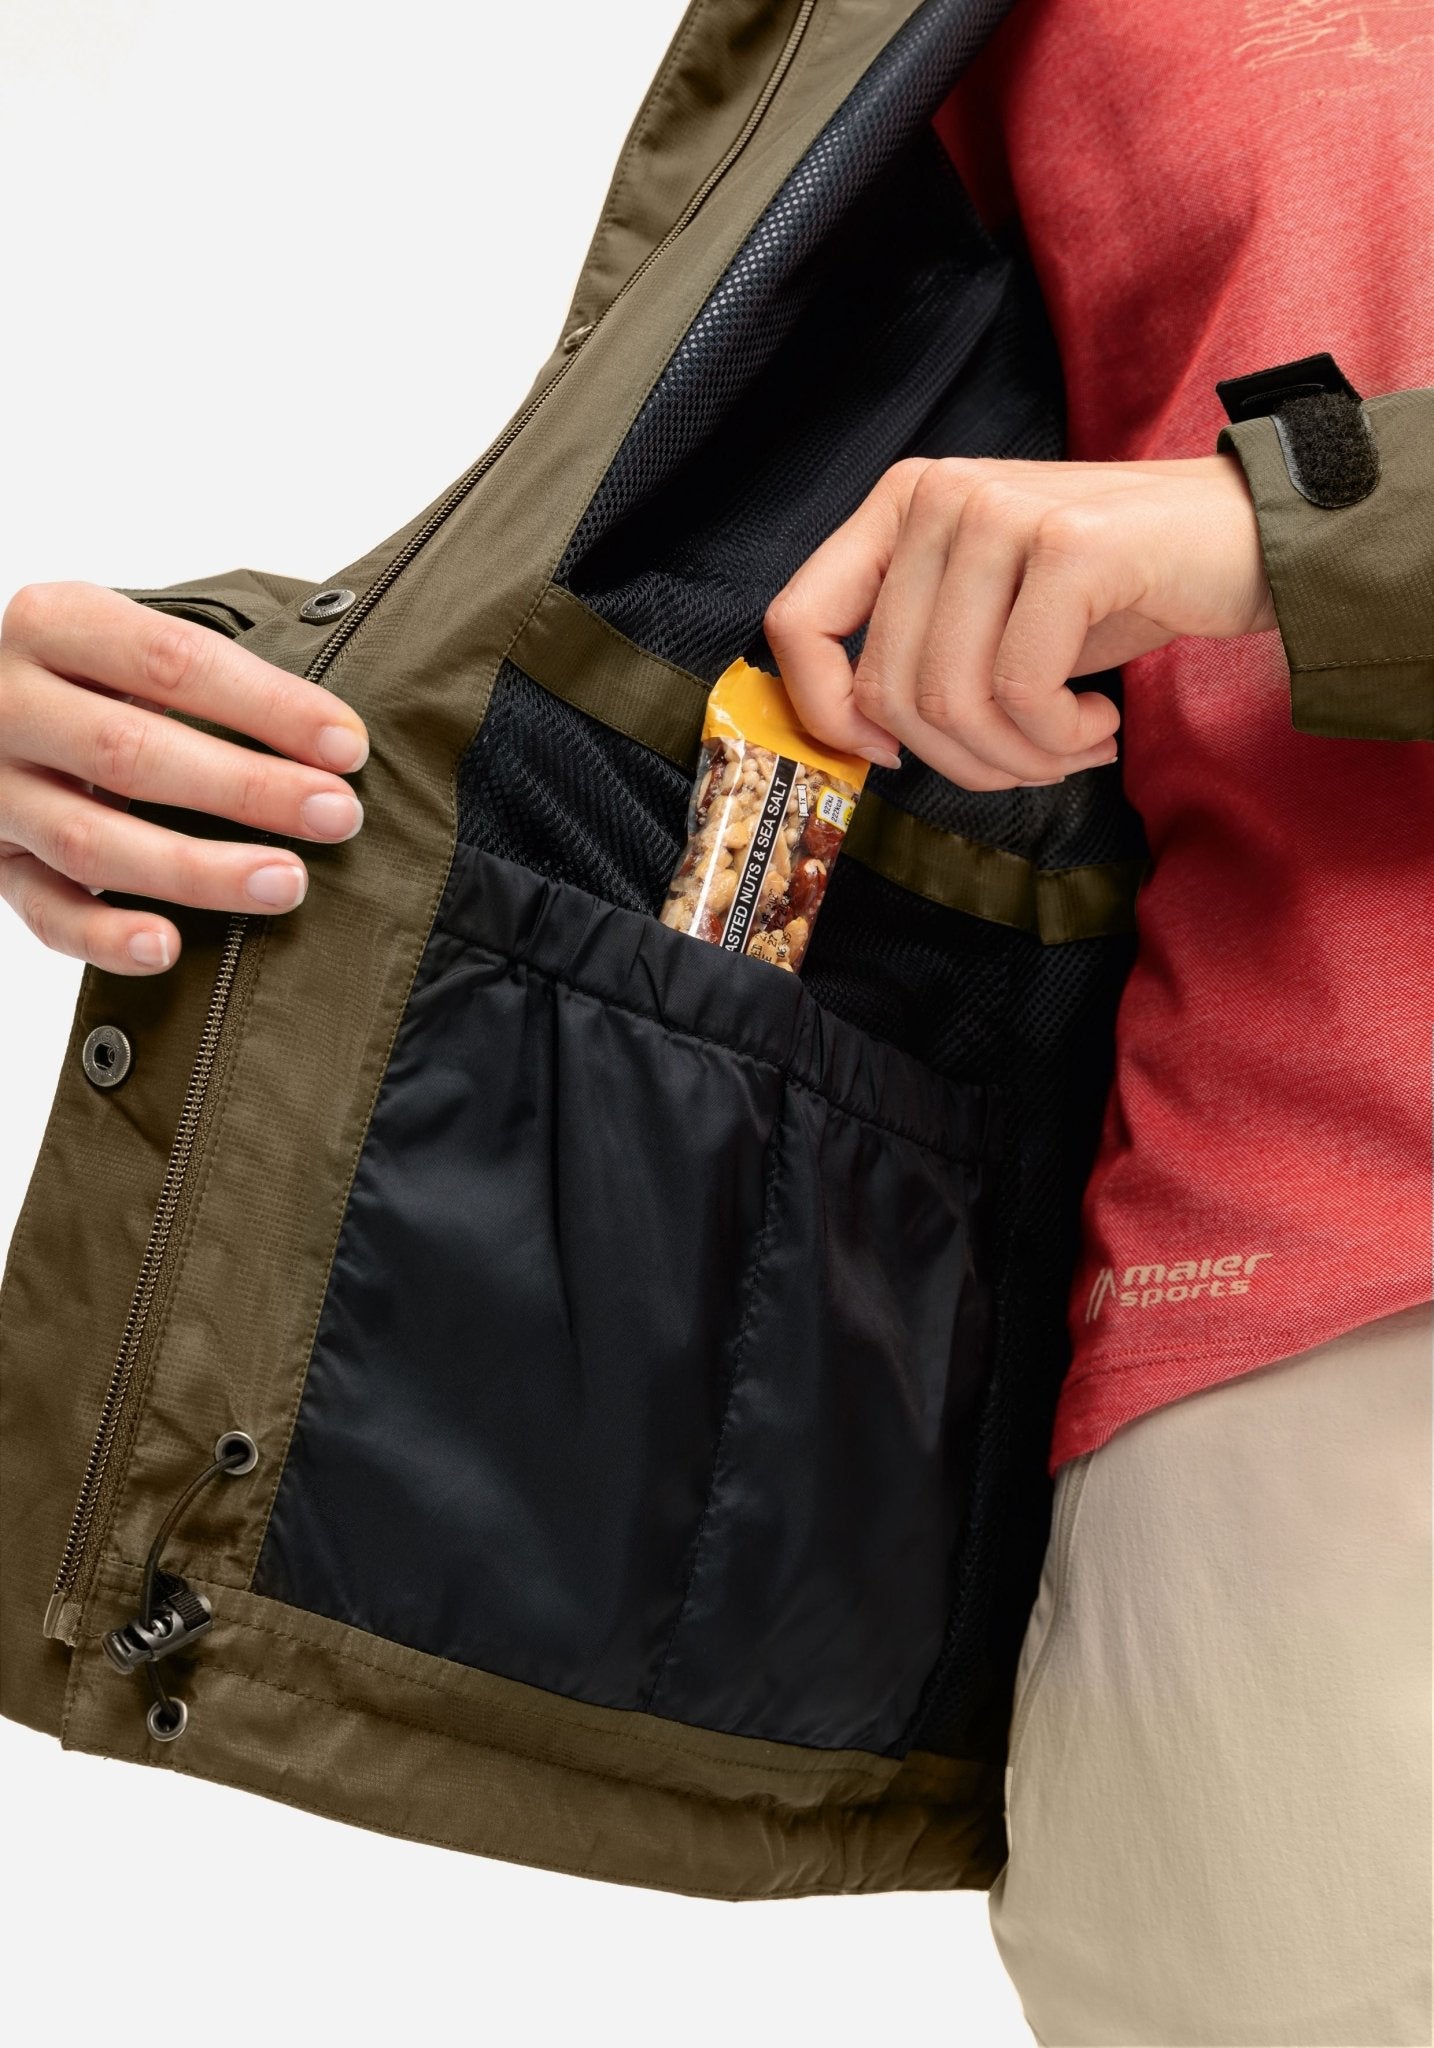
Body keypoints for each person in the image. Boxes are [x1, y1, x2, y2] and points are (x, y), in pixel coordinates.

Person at [1, 1, 1428, 2041]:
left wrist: (1288, 523)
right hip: (1266, 1376)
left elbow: (1239, 519)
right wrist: (244, 729)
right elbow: (780, 558)